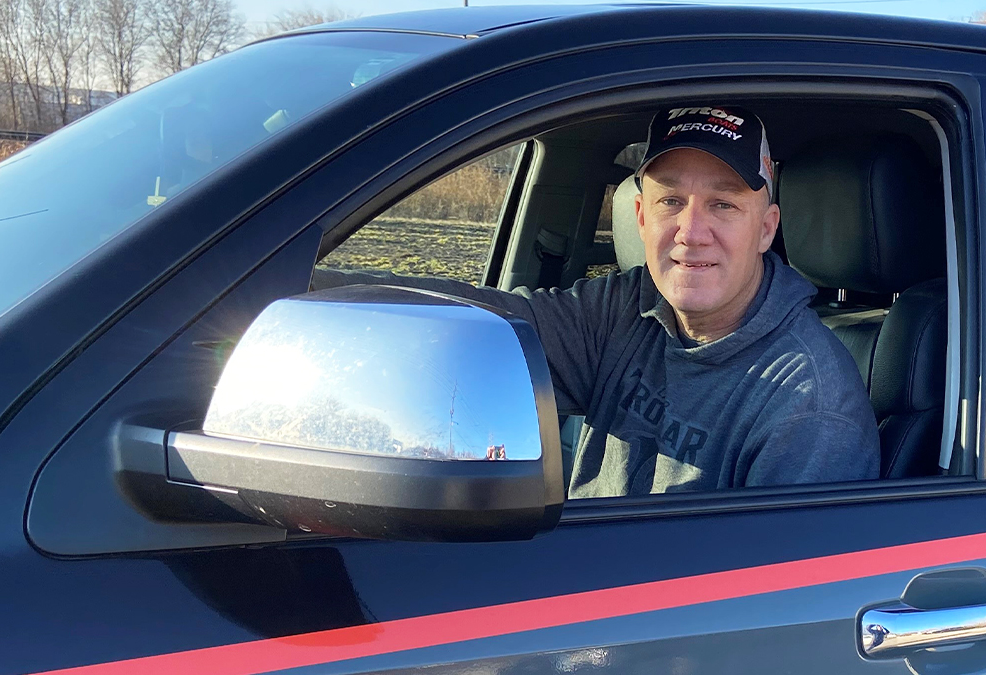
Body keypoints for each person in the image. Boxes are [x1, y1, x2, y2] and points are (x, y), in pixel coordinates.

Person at [314, 104, 880, 498]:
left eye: (724, 205)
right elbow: (484, 326)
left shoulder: (810, 407)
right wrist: (281, 291)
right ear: (640, 216)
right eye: (670, 202)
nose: (691, 231)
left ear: (766, 228)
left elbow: (771, 620)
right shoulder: (625, 310)